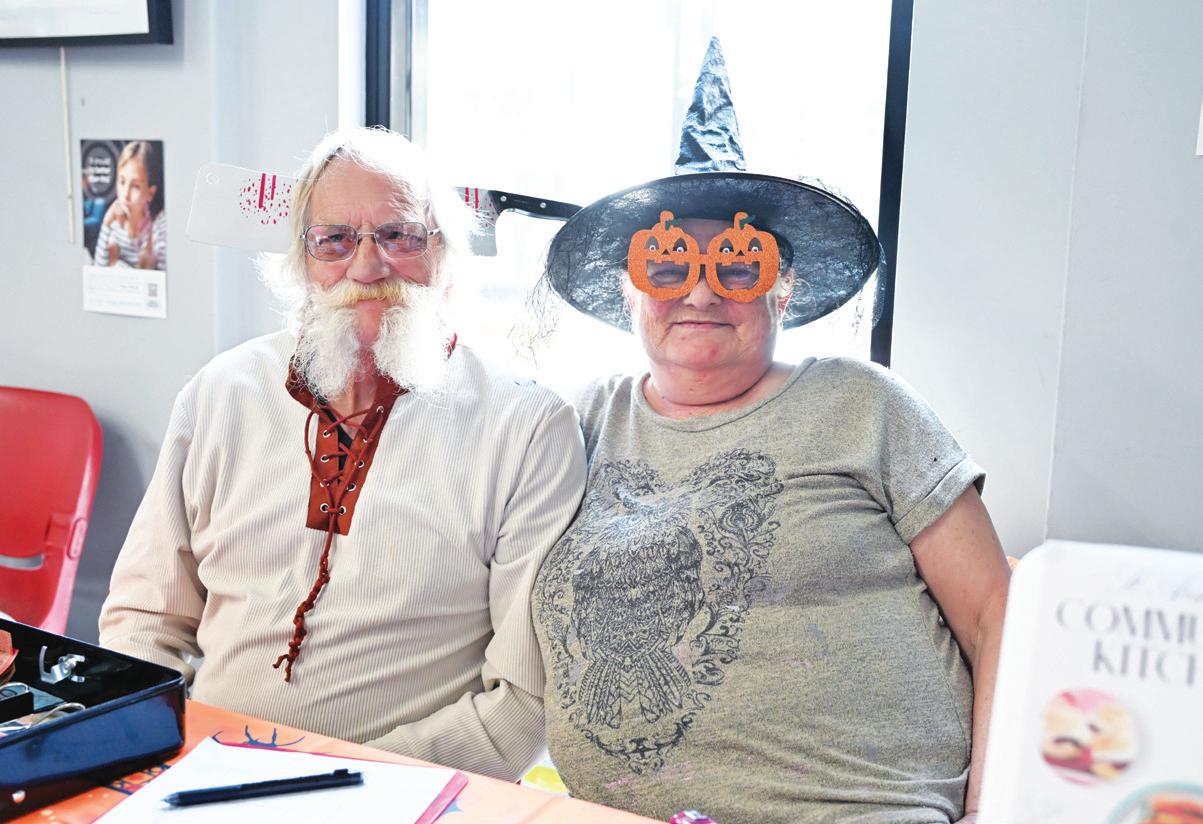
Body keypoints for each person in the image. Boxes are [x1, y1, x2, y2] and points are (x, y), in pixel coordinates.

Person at [531, 40, 1010, 822]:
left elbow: (996, 618)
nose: (700, 293)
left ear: (781, 290)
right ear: (629, 291)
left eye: (736, 265)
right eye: (667, 265)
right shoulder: (577, 421)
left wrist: (997, 809)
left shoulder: (862, 404)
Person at [99, 127, 586, 781]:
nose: (366, 268)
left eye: (399, 236)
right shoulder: (222, 392)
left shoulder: (527, 426)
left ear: (444, 253)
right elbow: (146, 617)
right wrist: (157, 745)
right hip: (202, 770)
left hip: (405, 793)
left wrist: (334, 784)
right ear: (301, 260)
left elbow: (522, 705)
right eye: (334, 240)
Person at [93, 140, 168, 270]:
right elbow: (98, 272)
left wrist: (116, 263)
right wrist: (106, 224)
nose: (125, 194)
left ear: (150, 193)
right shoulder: (115, 225)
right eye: (122, 182)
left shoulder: (160, 224)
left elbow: (162, 279)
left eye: (135, 186)